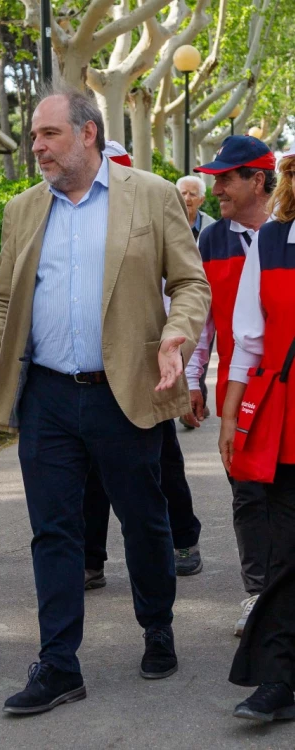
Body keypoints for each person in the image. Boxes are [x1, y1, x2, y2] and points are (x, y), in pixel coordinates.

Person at [0, 83, 210, 715]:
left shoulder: (151, 195)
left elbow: (190, 282)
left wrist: (176, 335)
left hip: (125, 392)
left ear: (87, 134)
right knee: (54, 531)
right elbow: (6, 298)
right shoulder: (23, 210)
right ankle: (59, 663)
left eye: (48, 134)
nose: (36, 147)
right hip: (47, 397)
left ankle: (158, 627)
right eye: (35, 136)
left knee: (144, 520)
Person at [83, 146, 204, 587]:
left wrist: (185, 370)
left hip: (149, 368)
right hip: (92, 371)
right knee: (91, 477)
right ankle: (90, 558)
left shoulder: (151, 210)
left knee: (163, 463)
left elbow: (183, 292)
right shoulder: (80, 222)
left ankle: (184, 538)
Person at [222, 144, 295, 721]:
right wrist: (229, 412)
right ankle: (277, 679)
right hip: (284, 419)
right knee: (283, 556)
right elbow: (247, 338)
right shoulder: (271, 242)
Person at [194, 135, 276, 636]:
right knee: (247, 495)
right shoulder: (210, 240)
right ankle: (258, 595)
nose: (216, 187)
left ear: (258, 181)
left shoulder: (287, 234)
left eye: (226, 177)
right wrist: (191, 381)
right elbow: (203, 322)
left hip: (284, 390)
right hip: (237, 392)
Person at [176, 175, 215, 429]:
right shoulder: (169, 222)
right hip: (173, 296)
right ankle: (183, 400)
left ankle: (196, 395)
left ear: (201, 199)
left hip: (203, 296)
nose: (187, 198)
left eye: (192, 194)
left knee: (201, 346)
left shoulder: (211, 229)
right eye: (183, 193)